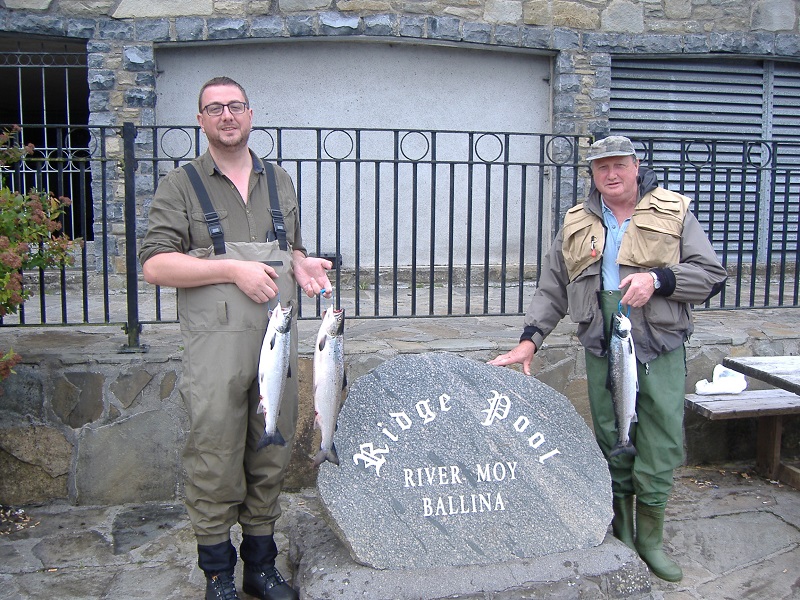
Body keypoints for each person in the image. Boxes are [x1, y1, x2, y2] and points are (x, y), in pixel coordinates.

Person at [488, 136, 727, 582]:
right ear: (593, 175)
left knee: (660, 443)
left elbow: (711, 274)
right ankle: (622, 533)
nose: (611, 174)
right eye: (602, 168)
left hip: (660, 346)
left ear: (637, 166)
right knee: (612, 440)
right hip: (604, 346)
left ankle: (651, 539)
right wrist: (530, 340)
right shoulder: (576, 220)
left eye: (620, 165)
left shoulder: (675, 210)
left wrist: (659, 279)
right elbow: (553, 286)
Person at [139, 76, 331, 600]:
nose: (227, 116)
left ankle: (260, 568)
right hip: (215, 344)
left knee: (270, 452)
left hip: (276, 335)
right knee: (214, 452)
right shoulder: (180, 184)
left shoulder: (280, 180)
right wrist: (231, 269)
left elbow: (286, 248)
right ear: (200, 120)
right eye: (214, 108)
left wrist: (301, 261)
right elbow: (155, 264)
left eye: (236, 106)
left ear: (250, 114)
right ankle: (218, 575)